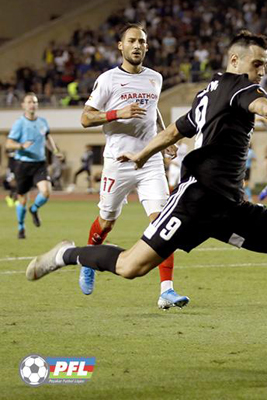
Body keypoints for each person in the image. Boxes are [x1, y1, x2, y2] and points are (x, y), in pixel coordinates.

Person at [26, 30, 267, 366]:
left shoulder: (211, 92)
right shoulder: (239, 87)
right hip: (196, 200)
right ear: (235, 60)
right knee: (130, 267)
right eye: (257, 63)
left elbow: (176, 130)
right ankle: (65, 254)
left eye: (265, 64)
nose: (262, 71)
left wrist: (143, 155)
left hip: (230, 205)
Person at [77, 23, 189, 310]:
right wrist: (118, 112)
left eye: (141, 41)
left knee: (163, 223)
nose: (137, 45)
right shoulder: (108, 80)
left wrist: (165, 138)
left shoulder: (155, 78)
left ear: (147, 47)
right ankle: (88, 261)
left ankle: (167, 290)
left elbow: (153, 112)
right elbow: (86, 118)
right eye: (131, 41)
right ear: (121, 46)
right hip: (118, 162)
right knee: (106, 222)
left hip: (150, 161)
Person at [5, 92, 63, 239]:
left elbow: (48, 138)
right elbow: (8, 143)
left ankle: (34, 209)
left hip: (40, 164)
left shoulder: (42, 121)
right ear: (23, 105)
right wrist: (21, 146)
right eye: (29, 102)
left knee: (46, 192)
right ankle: (21, 227)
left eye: (35, 102)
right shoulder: (19, 123)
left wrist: (55, 151)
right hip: (23, 164)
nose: (32, 104)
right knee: (22, 198)